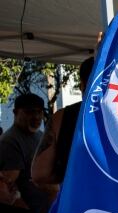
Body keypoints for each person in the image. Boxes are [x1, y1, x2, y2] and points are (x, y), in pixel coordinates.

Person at [32, 57, 95, 190]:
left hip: (80, 201)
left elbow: (40, 173)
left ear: (82, 86)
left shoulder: (62, 117)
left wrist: (70, 178)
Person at [0, 93, 47, 213]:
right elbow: (9, 189)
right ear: (15, 112)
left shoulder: (40, 136)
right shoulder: (10, 141)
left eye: (39, 112)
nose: (36, 117)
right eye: (29, 112)